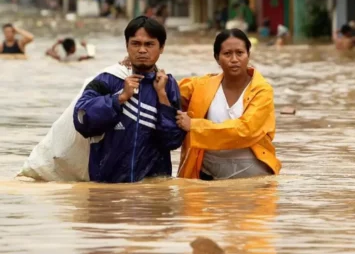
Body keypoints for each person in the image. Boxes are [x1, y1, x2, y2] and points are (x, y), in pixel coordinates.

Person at [73, 16, 185, 183]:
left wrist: (162, 97)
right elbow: (81, 120)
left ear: (161, 48)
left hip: (153, 194)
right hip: (108, 189)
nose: (142, 50)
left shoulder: (167, 85)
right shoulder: (109, 79)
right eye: (136, 44)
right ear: (127, 46)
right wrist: (119, 98)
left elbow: (172, 140)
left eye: (149, 44)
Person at [176, 28, 281, 180]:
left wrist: (194, 125)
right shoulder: (201, 85)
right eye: (227, 54)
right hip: (207, 173)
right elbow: (168, 89)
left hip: (253, 175)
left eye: (240, 53)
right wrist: (133, 67)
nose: (234, 59)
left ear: (248, 55)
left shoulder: (262, 91)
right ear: (217, 58)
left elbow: (246, 131)